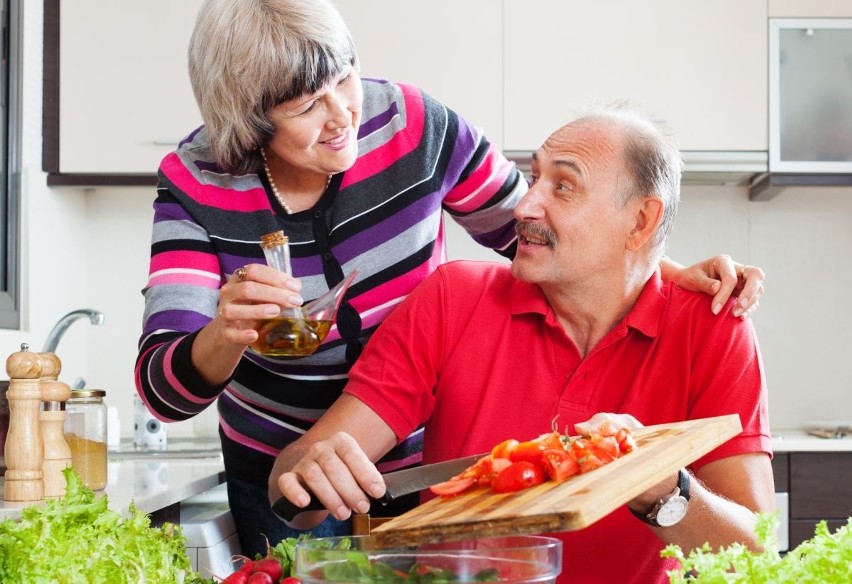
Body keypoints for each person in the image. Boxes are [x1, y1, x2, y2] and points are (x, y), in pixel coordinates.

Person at [135, 0, 765, 560]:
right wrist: (227, 331)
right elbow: (166, 393)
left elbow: (546, 233)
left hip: (413, 464)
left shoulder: (414, 125)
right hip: (294, 458)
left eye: (345, 77)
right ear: (249, 121)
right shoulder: (200, 181)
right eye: (306, 106)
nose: (342, 115)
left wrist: (663, 270)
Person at [272, 105, 775, 584]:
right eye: (534, 178)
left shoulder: (712, 326)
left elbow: (754, 558)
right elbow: (295, 486)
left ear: (640, 222)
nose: (526, 203)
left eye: (564, 186)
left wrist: (662, 485)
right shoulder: (453, 300)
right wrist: (309, 475)